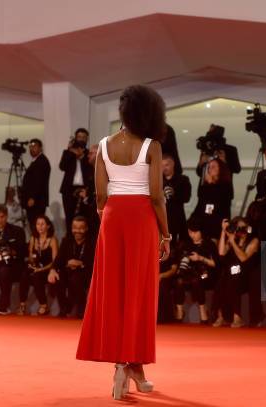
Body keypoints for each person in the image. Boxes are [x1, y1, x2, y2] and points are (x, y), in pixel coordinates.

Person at [75, 84, 171, 400]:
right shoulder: (152, 147)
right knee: (140, 292)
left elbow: (100, 195)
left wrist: (109, 215)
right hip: (142, 217)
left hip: (112, 217)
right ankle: (133, 365)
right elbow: (157, 197)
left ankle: (123, 365)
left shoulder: (103, 145)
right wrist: (166, 234)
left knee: (113, 291)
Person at [212, 216, 259, 328]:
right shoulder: (234, 238)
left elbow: (244, 258)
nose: (241, 231)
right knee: (222, 280)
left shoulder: (254, 240)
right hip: (232, 273)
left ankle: (237, 317)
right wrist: (224, 232)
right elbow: (221, 253)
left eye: (243, 228)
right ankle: (221, 316)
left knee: (234, 279)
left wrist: (233, 242)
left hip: (247, 275)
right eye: (238, 228)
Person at [173, 217, 218, 324]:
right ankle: (179, 310)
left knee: (196, 280)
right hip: (188, 273)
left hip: (205, 274)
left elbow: (215, 264)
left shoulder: (209, 244)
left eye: (195, 232)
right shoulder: (185, 244)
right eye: (190, 232)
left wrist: (200, 258)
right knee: (178, 281)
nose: (192, 234)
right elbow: (180, 263)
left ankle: (203, 310)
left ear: (201, 231)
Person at [49, 215, 95, 318]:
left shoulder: (92, 242)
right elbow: (58, 259)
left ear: (86, 228)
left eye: (81, 228)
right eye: (75, 227)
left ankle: (81, 310)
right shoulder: (67, 240)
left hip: (86, 272)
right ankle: (64, 308)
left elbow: (95, 263)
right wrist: (52, 270)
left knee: (75, 279)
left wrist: (80, 263)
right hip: (68, 271)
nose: (77, 230)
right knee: (57, 278)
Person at [18, 215, 58, 316]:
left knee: (37, 276)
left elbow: (55, 261)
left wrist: (41, 269)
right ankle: (22, 304)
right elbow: (31, 256)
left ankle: (43, 305)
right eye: (38, 224)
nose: (40, 227)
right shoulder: (33, 238)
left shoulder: (52, 240)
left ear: (48, 226)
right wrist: (31, 262)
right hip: (36, 267)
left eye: (42, 224)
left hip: (48, 268)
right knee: (24, 274)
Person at [59, 128, 94, 234]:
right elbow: (62, 166)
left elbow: (90, 169)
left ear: (87, 139)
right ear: (76, 138)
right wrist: (70, 151)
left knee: (83, 217)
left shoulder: (89, 154)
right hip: (68, 190)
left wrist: (82, 156)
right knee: (69, 217)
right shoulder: (68, 152)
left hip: (83, 189)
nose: (81, 139)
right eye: (79, 137)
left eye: (84, 137)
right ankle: (70, 241)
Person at [190, 158, 233, 239]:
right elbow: (201, 204)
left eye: (213, 166)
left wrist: (210, 185)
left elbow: (220, 203)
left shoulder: (226, 186)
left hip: (218, 222)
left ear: (220, 169)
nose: (210, 169)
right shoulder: (205, 186)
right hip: (204, 223)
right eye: (209, 167)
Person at [21, 138, 51, 229]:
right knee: (32, 224)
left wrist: (32, 197)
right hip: (33, 200)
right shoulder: (36, 161)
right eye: (30, 147)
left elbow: (39, 181)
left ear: (40, 148)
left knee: (36, 225)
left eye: (34, 147)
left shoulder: (42, 161)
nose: (31, 149)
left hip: (36, 201)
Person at [163, 153, 191, 243]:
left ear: (173, 164)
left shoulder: (182, 180)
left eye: (166, 165)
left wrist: (173, 194)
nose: (164, 168)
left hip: (177, 220)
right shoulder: (157, 180)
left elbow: (186, 198)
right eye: (161, 165)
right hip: (161, 221)